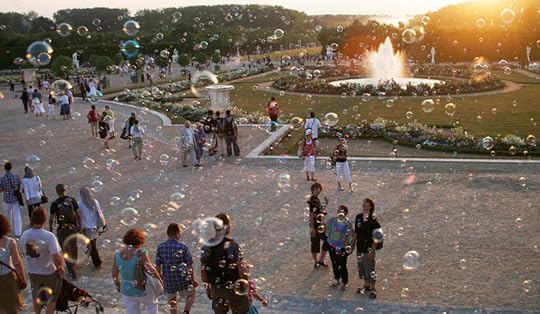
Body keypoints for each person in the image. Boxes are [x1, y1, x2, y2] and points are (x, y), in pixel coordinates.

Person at [201, 213, 250, 314]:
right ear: (227, 227)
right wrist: (245, 282)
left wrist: (208, 287)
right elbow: (241, 270)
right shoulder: (233, 245)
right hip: (234, 289)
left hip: (216, 289)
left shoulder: (207, 246)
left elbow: (203, 273)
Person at [20, 206, 65, 314]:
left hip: (32, 272)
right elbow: (56, 257)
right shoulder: (49, 236)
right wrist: (60, 268)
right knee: (52, 297)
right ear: (44, 219)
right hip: (49, 272)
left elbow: (22, 252)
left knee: (36, 296)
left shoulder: (24, 235)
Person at [112, 228, 162, 314]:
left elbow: (114, 274)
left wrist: (118, 285)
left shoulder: (117, 255)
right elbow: (151, 270)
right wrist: (160, 281)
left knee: (132, 312)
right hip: (142, 288)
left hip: (126, 289)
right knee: (151, 307)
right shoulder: (141, 253)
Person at [155, 223, 198, 314]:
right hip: (182, 279)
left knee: (172, 300)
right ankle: (186, 311)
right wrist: (193, 280)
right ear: (177, 233)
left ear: (168, 233)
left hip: (168, 279)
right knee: (191, 294)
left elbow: (158, 266)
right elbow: (189, 266)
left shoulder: (161, 247)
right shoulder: (183, 247)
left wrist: (159, 280)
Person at [49, 184, 80, 280]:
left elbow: (51, 219)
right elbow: (78, 214)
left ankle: (71, 271)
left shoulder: (55, 203)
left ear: (57, 192)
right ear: (65, 190)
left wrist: (50, 229)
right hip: (73, 227)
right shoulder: (72, 200)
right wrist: (79, 225)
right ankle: (74, 262)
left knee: (65, 250)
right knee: (74, 245)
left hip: (62, 229)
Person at [351, 198, 382, 299]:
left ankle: (373, 288)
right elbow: (356, 232)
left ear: (371, 207)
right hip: (360, 247)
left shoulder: (374, 223)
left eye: (366, 204)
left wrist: (372, 251)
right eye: (363, 204)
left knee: (370, 268)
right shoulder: (358, 217)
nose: (364, 206)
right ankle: (366, 285)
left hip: (368, 249)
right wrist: (352, 244)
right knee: (362, 267)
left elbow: (376, 238)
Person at [0, 214, 27, 314]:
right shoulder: (10, 242)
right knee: (13, 309)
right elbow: (18, 263)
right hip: (9, 279)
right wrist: (23, 279)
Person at [325, 205, 354, 291]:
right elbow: (327, 230)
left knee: (342, 264)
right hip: (332, 246)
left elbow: (350, 236)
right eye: (338, 210)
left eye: (341, 211)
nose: (339, 212)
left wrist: (350, 246)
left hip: (342, 248)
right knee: (334, 263)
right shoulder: (332, 220)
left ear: (345, 213)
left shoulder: (347, 223)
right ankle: (337, 279)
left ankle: (345, 282)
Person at [77, 187, 106, 269]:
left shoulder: (79, 204)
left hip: (87, 228)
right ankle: (90, 254)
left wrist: (80, 229)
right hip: (96, 226)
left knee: (92, 246)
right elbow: (99, 213)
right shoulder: (94, 201)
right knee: (92, 244)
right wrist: (103, 224)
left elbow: (80, 218)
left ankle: (97, 262)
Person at [307, 182, 329, 269]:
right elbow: (311, 215)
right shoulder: (311, 201)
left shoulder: (317, 199)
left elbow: (320, 210)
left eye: (320, 189)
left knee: (326, 241)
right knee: (315, 244)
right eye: (317, 189)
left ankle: (320, 260)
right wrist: (312, 228)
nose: (319, 191)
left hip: (320, 225)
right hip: (316, 226)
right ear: (313, 190)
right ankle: (316, 262)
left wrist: (326, 204)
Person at [0, 162, 23, 238]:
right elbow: (19, 184)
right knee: (17, 216)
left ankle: (8, 229)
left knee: (7, 216)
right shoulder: (16, 176)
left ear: (5, 168)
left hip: (7, 199)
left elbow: (1, 189)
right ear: (11, 168)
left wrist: (5, 189)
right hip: (15, 198)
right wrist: (17, 190)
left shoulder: (2, 178)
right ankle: (18, 232)